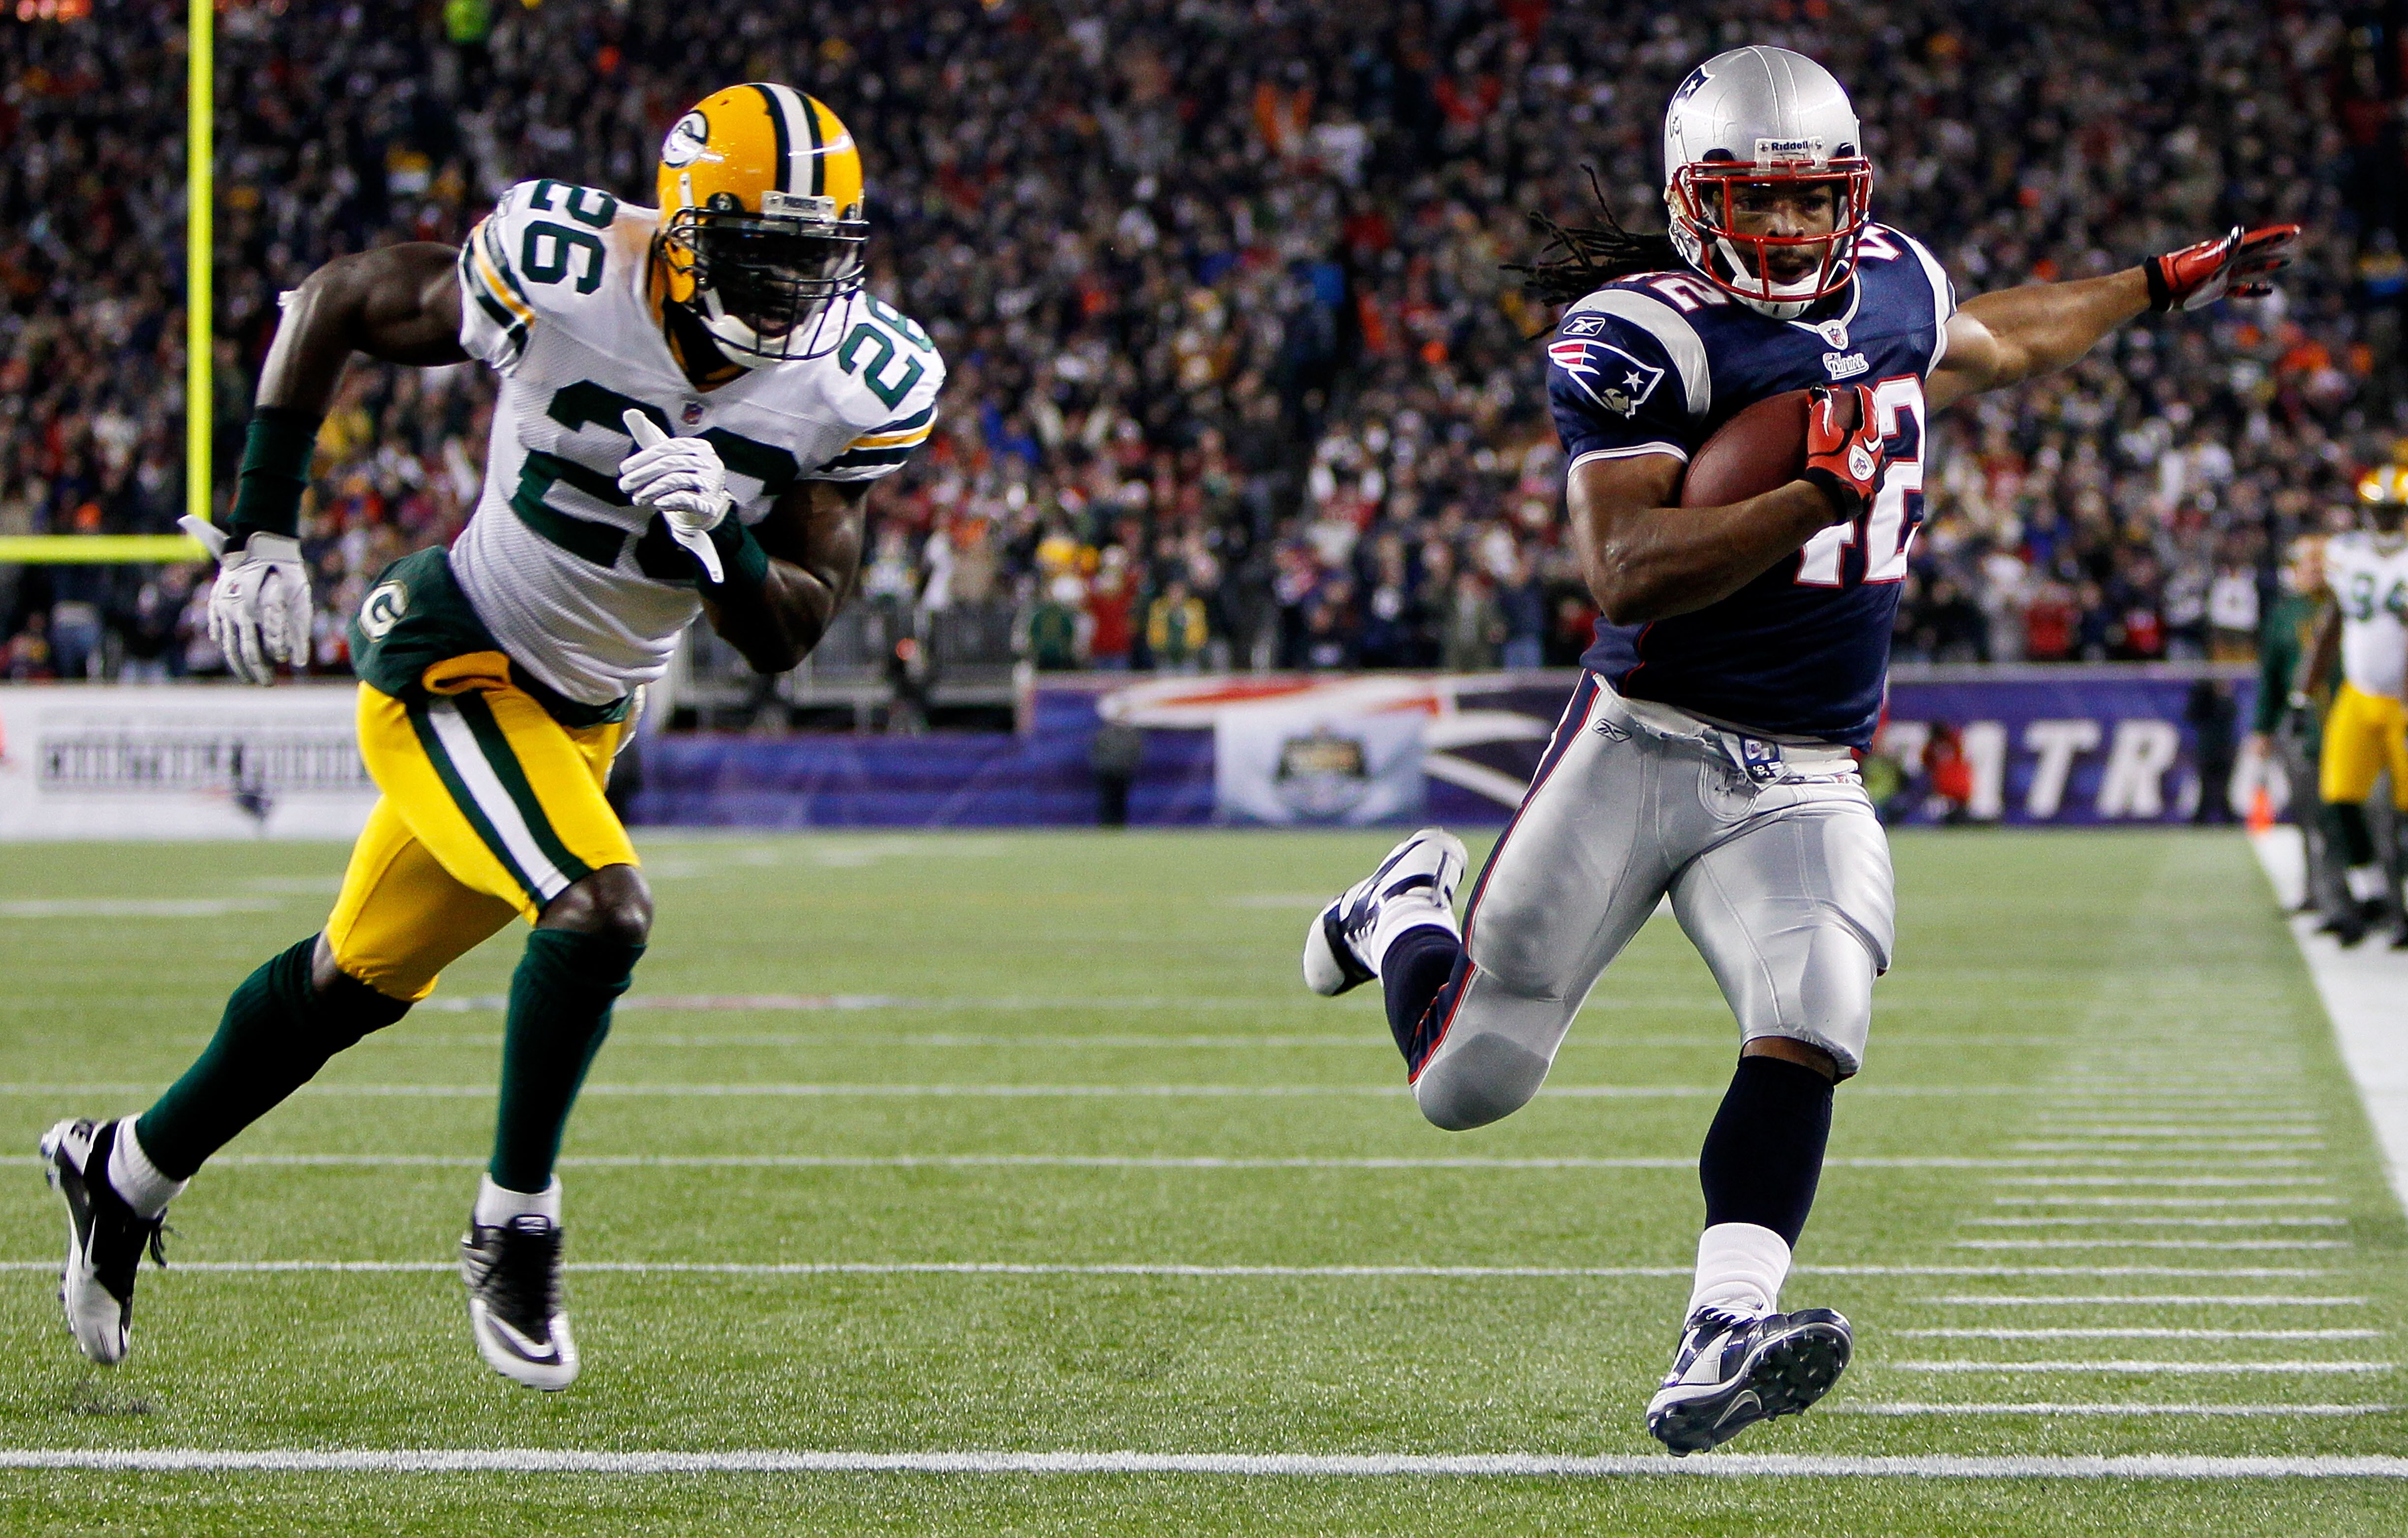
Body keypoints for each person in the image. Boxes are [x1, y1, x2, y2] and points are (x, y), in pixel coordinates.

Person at [1299, 45, 2295, 1455]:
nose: (1784, 230)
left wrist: (2161, 282)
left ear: (1853, 193)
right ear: (1692, 199)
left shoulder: (1891, 278)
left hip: (1810, 764)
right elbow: (1627, 568)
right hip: (1643, 740)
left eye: (1809, 199)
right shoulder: (1641, 332)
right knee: (1471, 1083)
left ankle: (1724, 1326)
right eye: (1752, 202)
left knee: (1816, 1008)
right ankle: (1401, 902)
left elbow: (2003, 339)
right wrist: (1820, 490)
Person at [40, 84, 941, 1390]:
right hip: (453, 652)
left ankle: (121, 1167)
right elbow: (336, 297)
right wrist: (262, 527)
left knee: (351, 981)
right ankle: (515, 1217)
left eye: (814, 255)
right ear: (684, 231)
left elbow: (788, 630)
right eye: (761, 249)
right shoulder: (570, 270)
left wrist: (728, 538)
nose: (789, 285)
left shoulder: (856, 375)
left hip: (580, 719)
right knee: (598, 910)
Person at [2295, 468, 2408, 946]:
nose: (2382, 517)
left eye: (2390, 509)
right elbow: (2331, 623)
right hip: (2359, 695)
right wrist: (2305, 689)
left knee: (2403, 811)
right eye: (2377, 509)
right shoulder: (2348, 555)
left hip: (2402, 700)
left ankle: (2400, 905)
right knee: (2339, 796)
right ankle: (2371, 894)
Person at [2245, 536, 2340, 916]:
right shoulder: (2284, 614)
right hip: (2301, 725)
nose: (2315, 570)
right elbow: (2270, 676)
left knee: (2347, 816)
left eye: (2321, 563)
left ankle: (2357, 897)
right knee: (2308, 814)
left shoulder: (2345, 608)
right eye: (2309, 563)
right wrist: (2263, 728)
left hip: (2343, 720)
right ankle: (2317, 891)